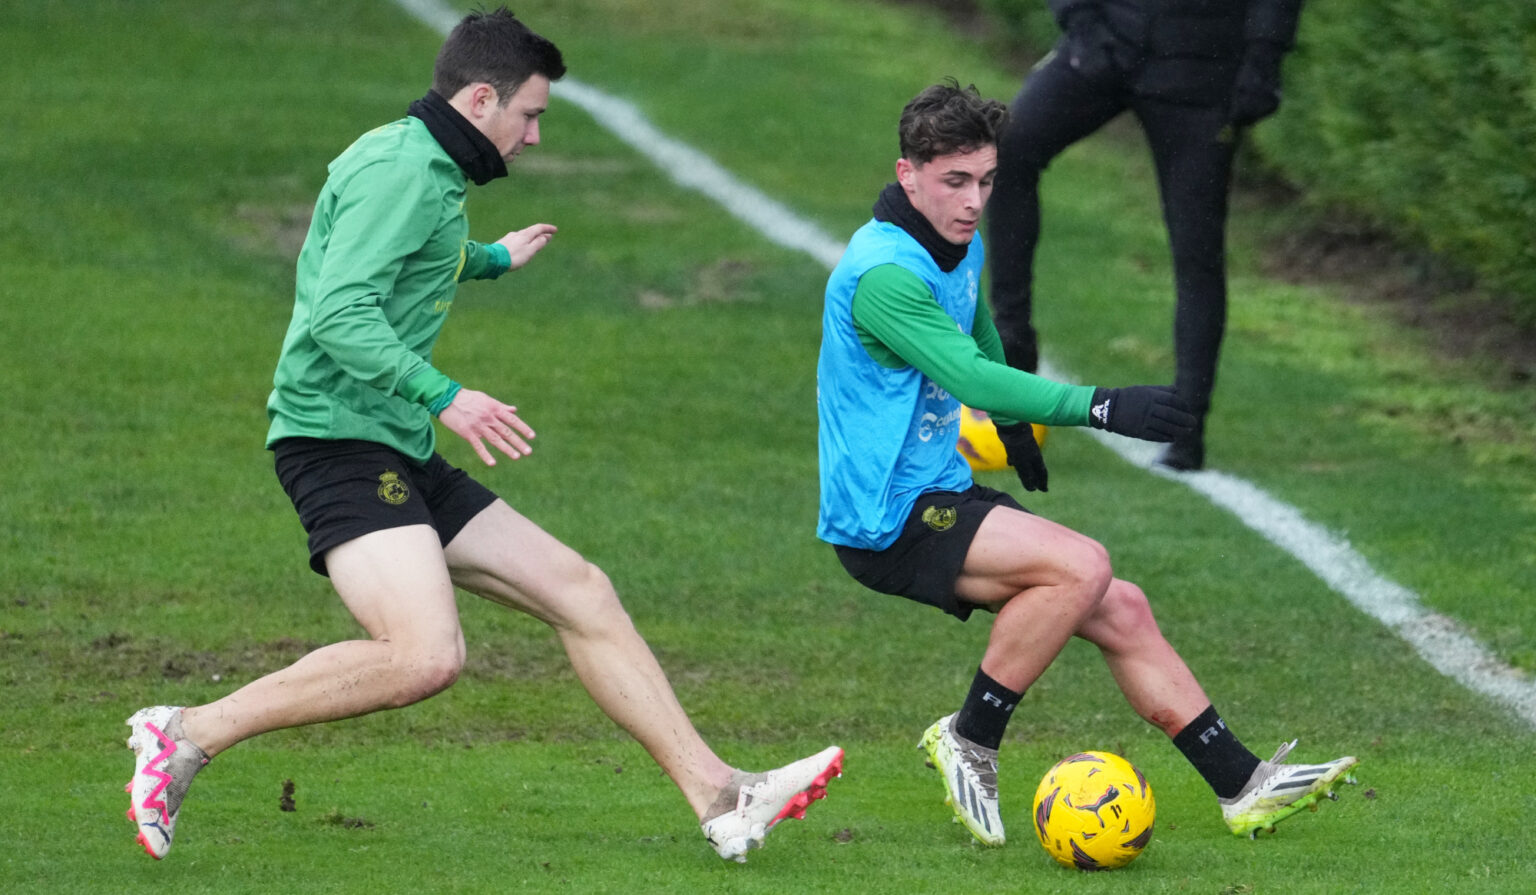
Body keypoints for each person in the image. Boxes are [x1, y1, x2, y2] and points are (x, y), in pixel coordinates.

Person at [123, 8, 841, 864]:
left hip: (389, 438)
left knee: (582, 590)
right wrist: (446, 394)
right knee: (425, 655)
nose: (535, 136)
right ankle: (187, 731)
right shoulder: (402, 170)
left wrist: (490, 258)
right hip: (337, 442)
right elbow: (338, 310)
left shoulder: (422, 165)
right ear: (479, 99)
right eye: (530, 114)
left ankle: (721, 794)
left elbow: (403, 252)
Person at [815, 80, 1354, 847]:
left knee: (1121, 605)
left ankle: (1241, 783)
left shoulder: (952, 239)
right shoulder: (885, 275)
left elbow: (979, 330)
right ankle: (969, 735)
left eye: (987, 180)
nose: (974, 201)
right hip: (884, 517)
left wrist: (1014, 428)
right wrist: (1100, 405)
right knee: (1080, 566)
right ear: (909, 174)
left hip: (937, 489)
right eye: (955, 182)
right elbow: (967, 375)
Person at [986, 0, 1306, 470]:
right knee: (1008, 150)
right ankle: (1012, 338)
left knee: (1197, 252)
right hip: (1104, 45)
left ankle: (1186, 426)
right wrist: (1079, 20)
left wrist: (1264, 60)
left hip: (1199, 72)